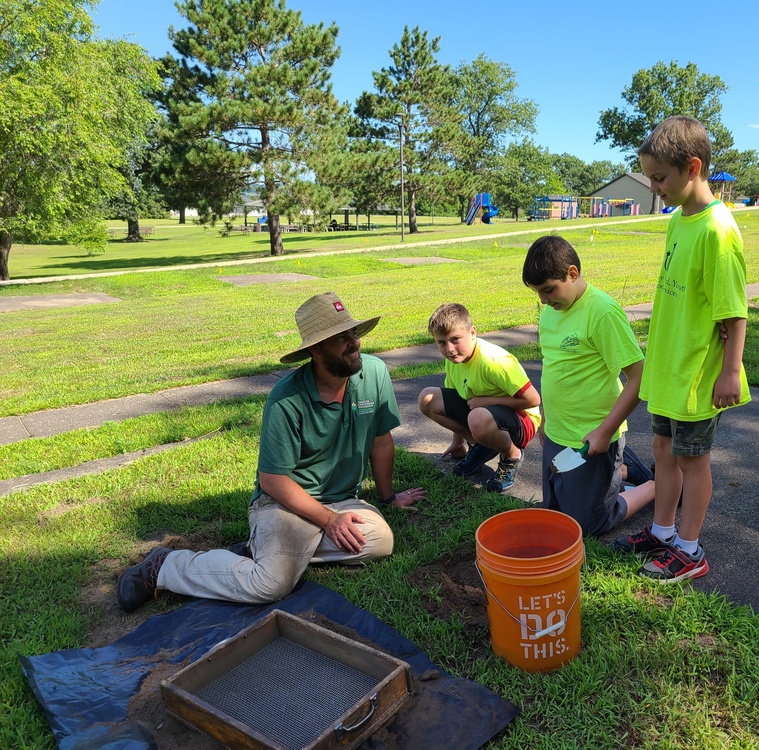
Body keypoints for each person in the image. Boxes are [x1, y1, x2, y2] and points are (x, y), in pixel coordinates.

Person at [116, 292, 426, 612]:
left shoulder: (374, 374)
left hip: (340, 498)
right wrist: (329, 521)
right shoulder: (286, 399)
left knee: (379, 541)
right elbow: (273, 481)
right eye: (340, 337)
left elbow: (380, 440)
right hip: (284, 503)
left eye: (353, 333)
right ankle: (166, 566)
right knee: (271, 585)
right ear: (315, 349)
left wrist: (388, 498)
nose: (354, 343)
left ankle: (264, 548)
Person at [613, 115, 751, 583]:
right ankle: (663, 532)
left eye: (659, 177)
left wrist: (730, 371)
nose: (653, 187)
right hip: (670, 366)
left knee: (693, 461)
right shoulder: (680, 221)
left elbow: (733, 312)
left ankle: (690, 550)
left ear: (693, 167)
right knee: (663, 451)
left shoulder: (718, 230)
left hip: (698, 374)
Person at [522, 235, 656, 537]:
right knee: (555, 512)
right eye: (538, 293)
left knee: (587, 524)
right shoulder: (550, 312)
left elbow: (639, 376)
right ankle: (621, 470)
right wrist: (546, 419)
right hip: (558, 432)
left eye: (548, 290)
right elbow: (554, 370)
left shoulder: (602, 312)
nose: (543, 300)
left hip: (592, 437)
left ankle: (654, 485)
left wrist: (606, 431)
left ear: (572, 273)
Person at [417, 303, 540, 493]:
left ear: (472, 332)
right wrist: (457, 444)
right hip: (484, 415)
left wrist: (487, 401)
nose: (449, 349)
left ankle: (512, 455)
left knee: (478, 417)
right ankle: (480, 445)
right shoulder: (454, 360)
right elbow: (457, 397)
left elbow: (533, 400)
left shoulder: (493, 361)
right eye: (441, 342)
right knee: (428, 398)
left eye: (455, 339)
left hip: (522, 420)